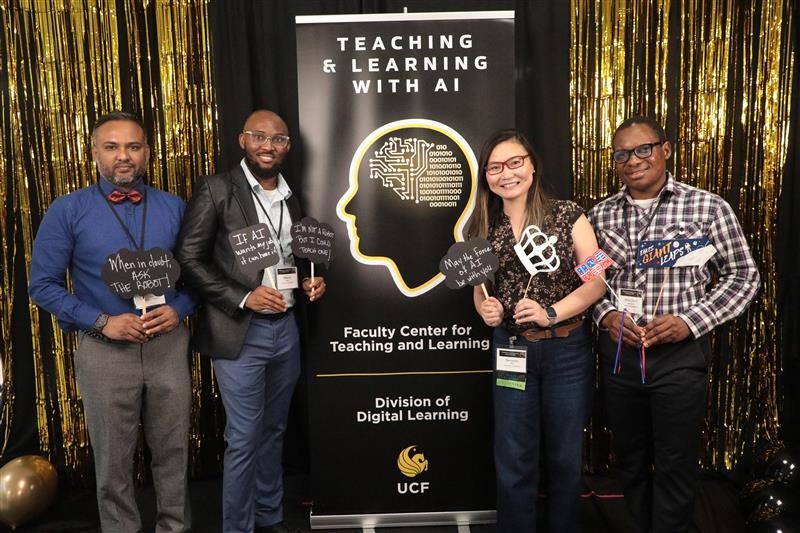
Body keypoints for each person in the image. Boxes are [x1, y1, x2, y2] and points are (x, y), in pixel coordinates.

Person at [588, 116, 760, 532]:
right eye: (622, 154)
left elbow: (743, 275)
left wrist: (690, 320)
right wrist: (607, 316)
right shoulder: (599, 216)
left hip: (678, 358)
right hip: (621, 358)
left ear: (666, 149)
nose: (633, 160)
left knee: (675, 461)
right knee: (628, 460)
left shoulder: (707, 208)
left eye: (643, 149)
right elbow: (589, 279)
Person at [29, 111, 195, 532]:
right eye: (112, 146)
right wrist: (102, 320)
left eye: (133, 147)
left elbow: (201, 275)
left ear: (147, 153)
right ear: (95, 152)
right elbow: (42, 285)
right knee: (113, 459)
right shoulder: (67, 210)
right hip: (105, 350)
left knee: (173, 452)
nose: (124, 156)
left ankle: (174, 527)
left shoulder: (175, 206)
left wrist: (180, 308)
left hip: (168, 346)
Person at [175, 109, 325, 533]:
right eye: (259, 136)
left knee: (274, 429)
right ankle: (237, 527)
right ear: (242, 140)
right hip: (239, 332)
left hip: (286, 329)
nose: (268, 145)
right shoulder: (218, 189)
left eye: (277, 139)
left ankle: (269, 514)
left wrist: (312, 284)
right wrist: (242, 297)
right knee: (243, 437)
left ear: (287, 147)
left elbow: (291, 257)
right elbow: (188, 259)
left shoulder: (290, 198)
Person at [468, 129, 606, 532]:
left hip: (567, 351)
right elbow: (480, 295)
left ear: (532, 164)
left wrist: (550, 312)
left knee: (564, 457)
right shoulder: (482, 226)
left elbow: (596, 282)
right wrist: (486, 311)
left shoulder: (569, 215)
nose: (506, 173)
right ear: (486, 176)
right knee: (513, 456)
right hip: (511, 348)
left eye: (515, 162)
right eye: (495, 167)